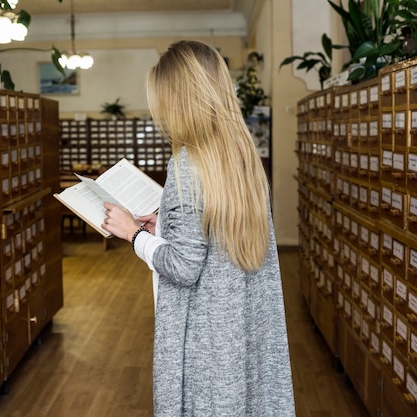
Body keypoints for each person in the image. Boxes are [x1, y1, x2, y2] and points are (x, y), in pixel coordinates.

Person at [101, 40, 295, 417]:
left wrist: (133, 234)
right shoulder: (241, 153)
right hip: (241, 328)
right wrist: (167, 225)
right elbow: (217, 228)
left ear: (177, 99)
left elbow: (184, 268)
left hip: (208, 339)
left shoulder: (187, 163)